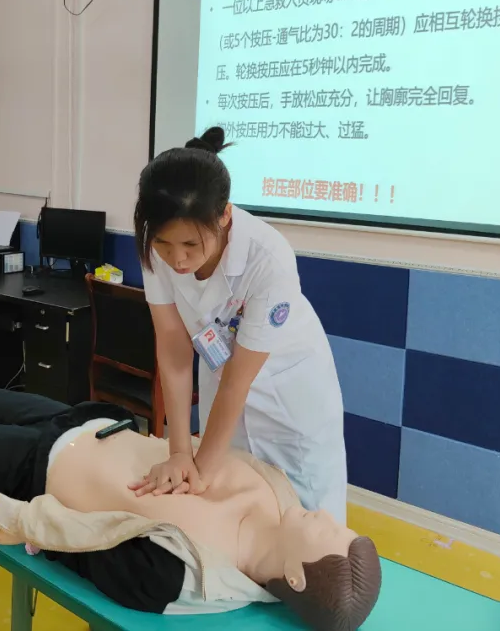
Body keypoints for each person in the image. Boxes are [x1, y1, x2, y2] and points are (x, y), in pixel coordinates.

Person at [0, 360, 381, 629]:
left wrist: (29, 523)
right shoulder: (280, 494)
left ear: (295, 575)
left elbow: (94, 556)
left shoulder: (185, 577)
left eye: (328, 535)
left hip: (45, 469)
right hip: (101, 428)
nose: (327, 518)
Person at [132, 127, 347, 522]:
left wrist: (196, 474)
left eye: (191, 247)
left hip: (288, 392)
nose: (177, 260)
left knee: (305, 523)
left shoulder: (269, 259)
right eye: (164, 245)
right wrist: (179, 451)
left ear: (225, 215)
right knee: (233, 512)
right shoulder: (155, 250)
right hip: (223, 376)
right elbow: (174, 348)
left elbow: (239, 380)